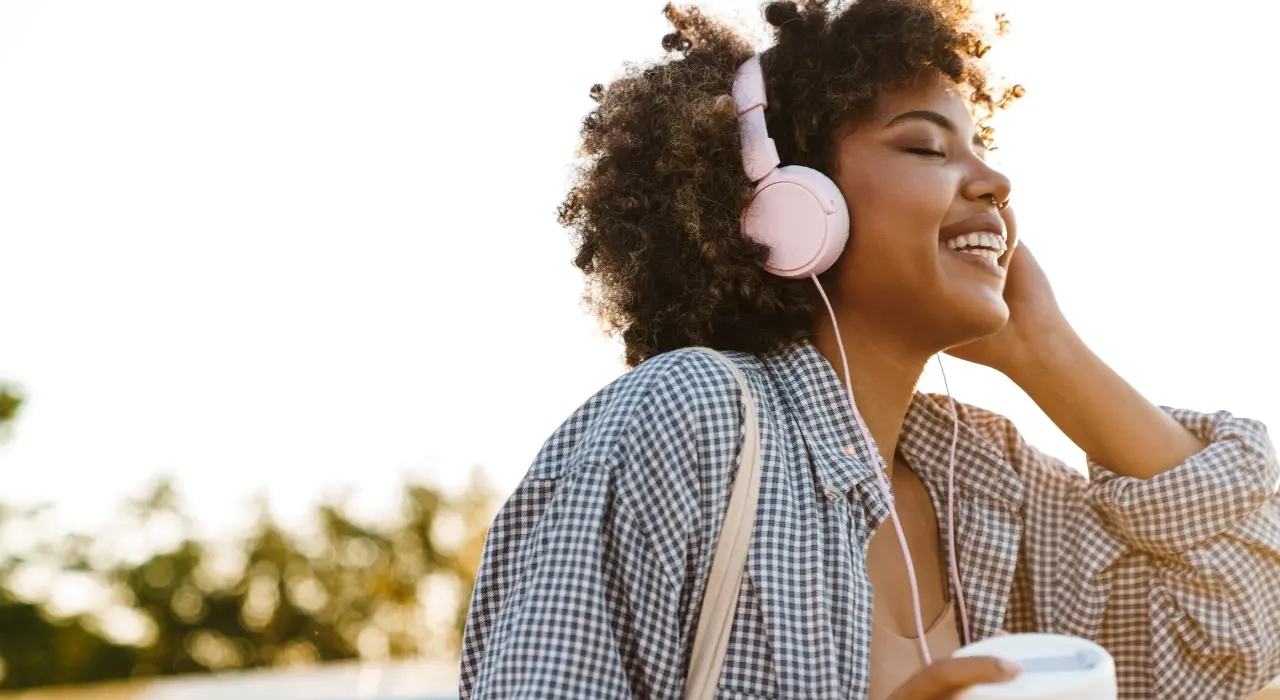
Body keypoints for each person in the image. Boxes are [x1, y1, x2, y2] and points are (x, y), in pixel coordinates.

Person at [459, 1, 1280, 698]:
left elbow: (1245, 622)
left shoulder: (988, 478)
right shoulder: (689, 422)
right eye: (927, 147)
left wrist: (1051, 353)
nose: (995, 181)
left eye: (980, 147)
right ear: (791, 210)